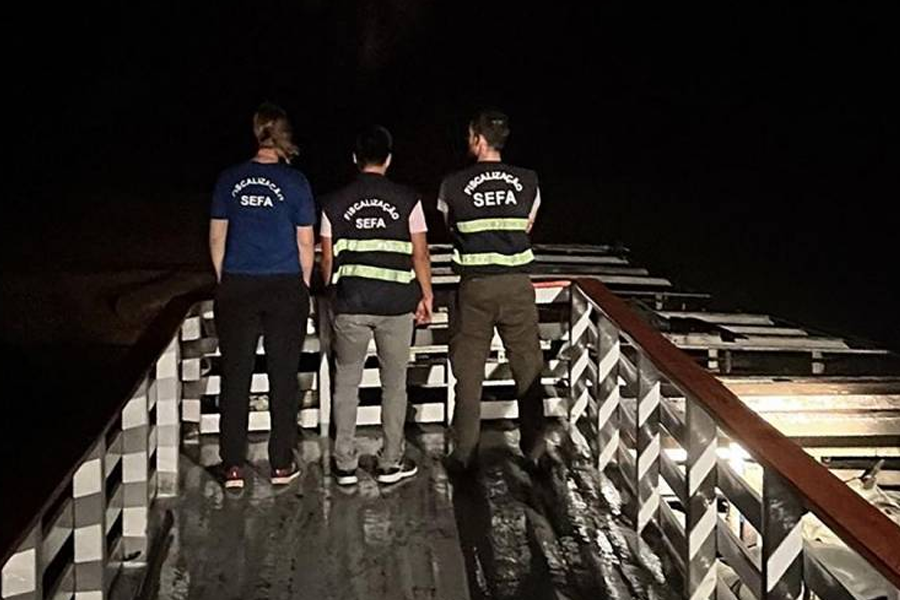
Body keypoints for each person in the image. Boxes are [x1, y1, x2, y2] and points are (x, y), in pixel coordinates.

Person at [209, 102, 316, 489]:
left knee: (235, 376)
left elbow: (218, 235)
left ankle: (233, 466)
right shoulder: (296, 182)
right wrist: (303, 284)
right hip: (284, 284)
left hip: (238, 283)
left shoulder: (229, 179)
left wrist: (225, 278)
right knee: (282, 376)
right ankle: (280, 463)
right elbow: (305, 241)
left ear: (256, 133)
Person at [319, 125, 434, 485]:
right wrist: (427, 295)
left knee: (346, 383)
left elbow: (327, 260)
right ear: (389, 159)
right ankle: (390, 462)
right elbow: (420, 254)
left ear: (355, 158)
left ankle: (344, 463)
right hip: (397, 305)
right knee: (394, 385)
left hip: (351, 302)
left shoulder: (333, 203)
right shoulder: (409, 200)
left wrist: (332, 292)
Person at [437, 109, 545, 471]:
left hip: (474, 287)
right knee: (528, 369)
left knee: (468, 373)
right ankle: (535, 451)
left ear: (477, 138)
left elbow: (451, 226)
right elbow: (527, 226)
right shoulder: (528, 180)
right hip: (517, 285)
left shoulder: (452, 184)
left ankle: (464, 454)